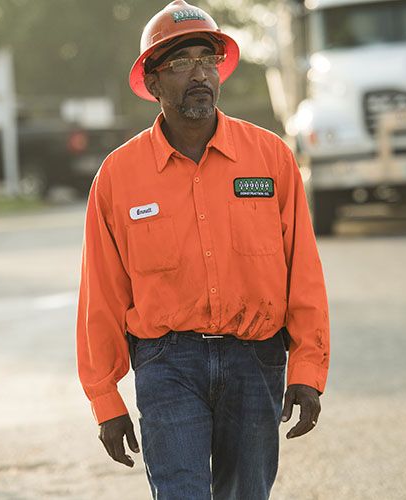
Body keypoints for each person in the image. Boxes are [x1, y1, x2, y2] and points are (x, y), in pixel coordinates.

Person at [75, 1, 330, 498]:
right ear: (152, 82)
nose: (200, 73)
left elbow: (304, 271)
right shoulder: (119, 177)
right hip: (167, 364)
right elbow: (101, 294)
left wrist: (308, 366)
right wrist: (105, 398)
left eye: (208, 60)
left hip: (257, 360)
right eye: (180, 63)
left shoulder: (270, 157)